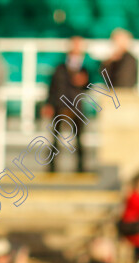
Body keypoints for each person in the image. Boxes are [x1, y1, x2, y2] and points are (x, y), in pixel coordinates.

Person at [41, 36, 91, 173]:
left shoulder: (86, 69)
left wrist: (84, 82)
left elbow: (89, 87)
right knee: (55, 139)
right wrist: (49, 104)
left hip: (76, 107)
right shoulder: (60, 68)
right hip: (60, 106)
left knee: (79, 140)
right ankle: (51, 168)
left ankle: (80, 168)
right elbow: (52, 87)